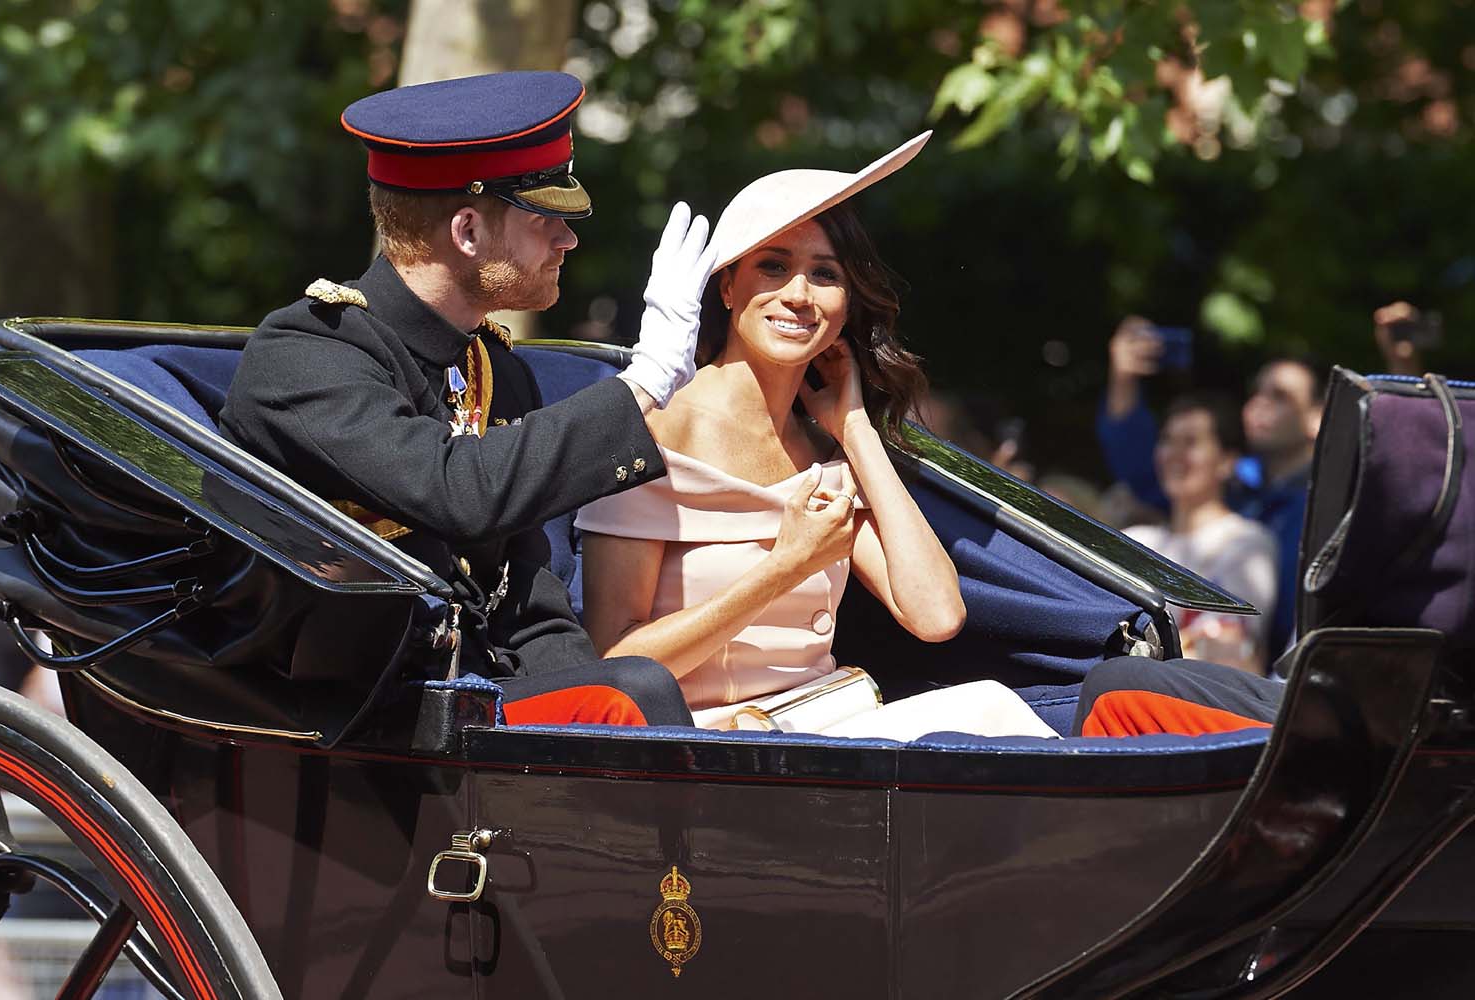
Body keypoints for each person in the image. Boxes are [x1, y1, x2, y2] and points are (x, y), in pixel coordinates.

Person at [221, 71, 714, 726]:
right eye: (546, 221)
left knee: (633, 700)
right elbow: (459, 491)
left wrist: (595, 725)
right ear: (468, 232)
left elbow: (531, 613)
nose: (567, 241)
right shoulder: (308, 356)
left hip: (466, 710)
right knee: (637, 694)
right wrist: (645, 379)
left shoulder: (493, 369)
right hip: (351, 715)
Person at [577, 134, 1066, 740]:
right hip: (705, 755)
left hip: (831, 728)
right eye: (774, 266)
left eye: (824, 274)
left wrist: (855, 430)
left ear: (845, 303)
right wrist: (785, 567)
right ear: (727, 288)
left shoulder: (826, 454)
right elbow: (613, 669)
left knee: (996, 718)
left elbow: (937, 614)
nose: (799, 295)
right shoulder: (650, 433)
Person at [1098, 319, 1323, 665]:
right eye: (1257, 391)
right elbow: (1143, 468)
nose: (1259, 403)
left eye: (1280, 396)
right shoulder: (1242, 490)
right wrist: (1124, 377)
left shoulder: (1325, 509)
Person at [1124, 394, 1276, 674]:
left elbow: (1228, 654)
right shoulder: (1136, 541)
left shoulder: (1247, 543)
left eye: (1191, 442)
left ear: (1226, 461)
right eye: (1168, 440)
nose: (1174, 454)